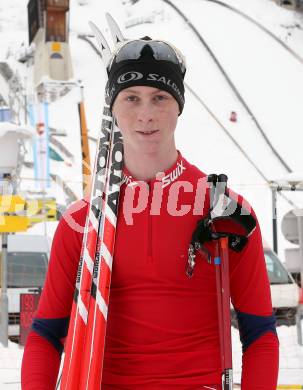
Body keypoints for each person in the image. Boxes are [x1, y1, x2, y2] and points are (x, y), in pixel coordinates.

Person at [21, 36, 279, 390]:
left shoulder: (225, 212)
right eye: (131, 98)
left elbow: (260, 332)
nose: (146, 114)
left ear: (179, 107)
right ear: (113, 108)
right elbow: (46, 335)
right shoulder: (81, 222)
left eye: (160, 97)